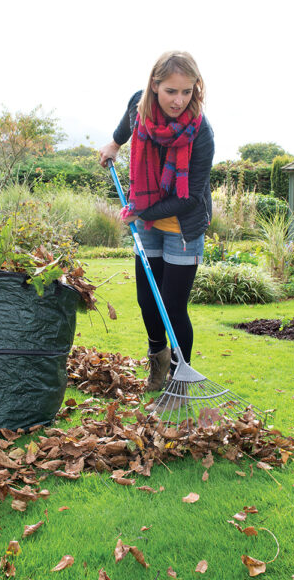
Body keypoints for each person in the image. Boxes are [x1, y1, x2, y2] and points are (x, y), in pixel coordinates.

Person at [99, 50, 214, 392]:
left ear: (196, 88)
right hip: (148, 224)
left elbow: (191, 197)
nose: (179, 100)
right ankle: (158, 361)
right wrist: (114, 144)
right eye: (170, 91)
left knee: (173, 307)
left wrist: (142, 213)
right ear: (154, 86)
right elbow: (126, 126)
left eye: (187, 91)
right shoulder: (139, 106)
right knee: (148, 301)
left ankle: (182, 376)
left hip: (183, 226)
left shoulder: (201, 133)